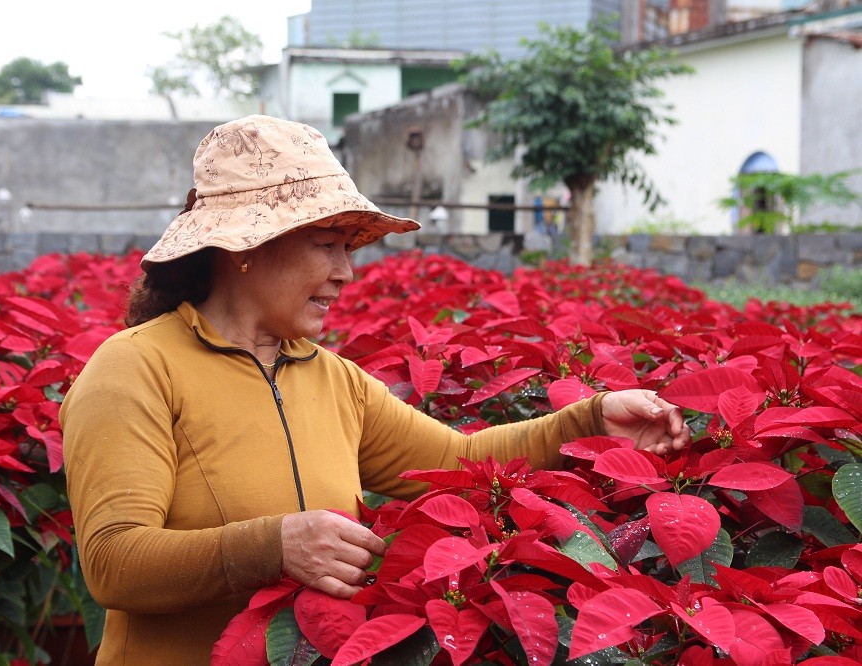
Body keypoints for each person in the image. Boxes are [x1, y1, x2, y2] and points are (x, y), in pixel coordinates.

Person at [59, 114, 691, 664]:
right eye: (327, 246)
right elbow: (116, 563)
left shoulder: (331, 378)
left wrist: (590, 420)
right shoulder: (136, 369)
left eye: (348, 249)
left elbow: (459, 462)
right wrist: (275, 546)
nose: (346, 272)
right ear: (246, 247)